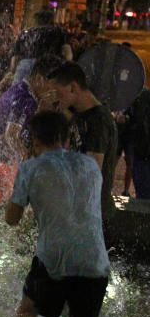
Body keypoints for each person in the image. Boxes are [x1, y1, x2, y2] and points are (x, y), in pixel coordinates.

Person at [5, 111, 110, 317]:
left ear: (35, 141)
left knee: (26, 312)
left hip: (53, 259)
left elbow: (11, 219)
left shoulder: (30, 167)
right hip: (95, 261)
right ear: (66, 138)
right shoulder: (91, 165)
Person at [0, 54, 61, 203]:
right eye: (54, 86)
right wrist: (29, 159)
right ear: (40, 78)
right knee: (16, 203)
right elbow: (10, 136)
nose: (54, 93)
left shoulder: (18, 88)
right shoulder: (25, 99)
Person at [46, 61, 119, 213]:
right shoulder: (79, 116)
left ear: (72, 87)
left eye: (55, 92)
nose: (53, 98)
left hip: (93, 213)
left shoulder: (99, 120)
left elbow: (91, 172)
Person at [11, 10, 72, 84]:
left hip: (25, 67)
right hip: (48, 68)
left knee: (18, 93)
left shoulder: (25, 33)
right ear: (52, 20)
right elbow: (68, 56)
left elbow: (13, 64)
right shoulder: (59, 31)